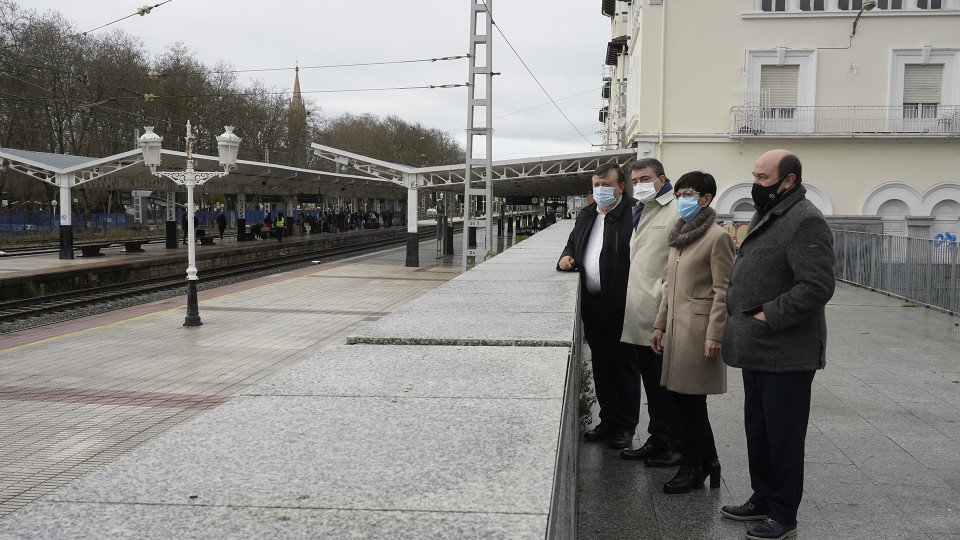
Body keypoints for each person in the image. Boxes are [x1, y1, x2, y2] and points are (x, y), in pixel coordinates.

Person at [720, 150, 835, 540]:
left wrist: (771, 314)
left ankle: (784, 515)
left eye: (763, 176)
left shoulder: (805, 221)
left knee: (783, 436)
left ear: (787, 181)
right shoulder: (770, 213)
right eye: (754, 174)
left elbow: (817, 286)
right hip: (756, 349)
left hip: (786, 352)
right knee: (759, 430)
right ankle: (762, 498)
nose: (756, 182)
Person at [650, 171, 734, 494]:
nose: (682, 199)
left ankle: (692, 467)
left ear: (705, 199)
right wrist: (659, 325)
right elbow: (669, 286)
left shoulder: (717, 237)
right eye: (680, 193)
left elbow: (723, 290)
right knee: (680, 401)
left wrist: (715, 334)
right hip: (675, 330)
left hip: (698, 332)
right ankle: (708, 462)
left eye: (688, 194)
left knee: (691, 404)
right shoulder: (680, 235)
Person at [557, 163, 637, 450]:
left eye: (605, 185)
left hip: (623, 305)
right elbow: (571, 244)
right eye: (596, 185)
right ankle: (608, 420)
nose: (600, 190)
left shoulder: (633, 213)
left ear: (620, 186)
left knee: (624, 369)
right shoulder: (588, 214)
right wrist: (566, 258)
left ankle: (626, 426)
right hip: (593, 306)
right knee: (601, 367)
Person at [618, 158, 685, 468]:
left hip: (660, 313)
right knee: (651, 382)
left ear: (662, 178)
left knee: (666, 385)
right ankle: (658, 437)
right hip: (639, 312)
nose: (640, 184)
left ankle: (675, 443)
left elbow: (678, 263)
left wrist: (664, 300)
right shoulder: (643, 209)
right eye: (636, 179)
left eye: (646, 178)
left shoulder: (675, 210)